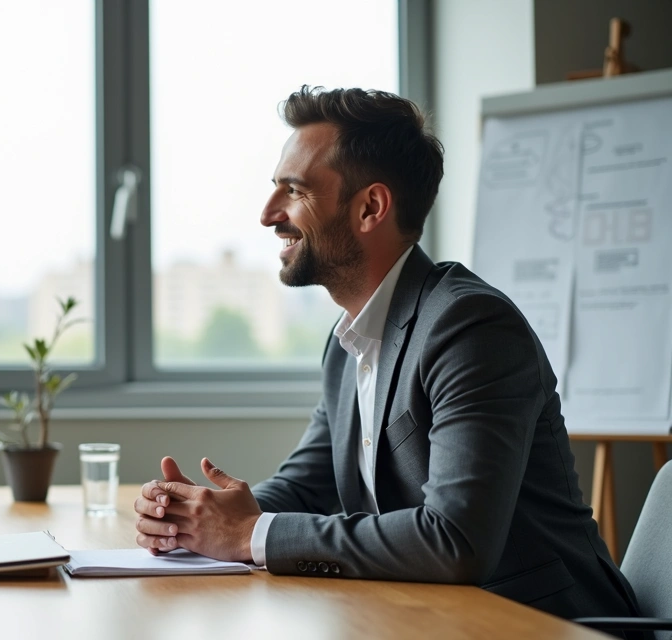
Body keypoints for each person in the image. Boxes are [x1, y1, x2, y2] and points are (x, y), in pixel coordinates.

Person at [133, 86, 643, 625]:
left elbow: (455, 539)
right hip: (429, 619)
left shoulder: (470, 327)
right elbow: (306, 486)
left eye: (294, 190)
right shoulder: (347, 342)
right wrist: (197, 516)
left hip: (546, 625)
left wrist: (249, 534)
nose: (268, 214)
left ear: (370, 208)